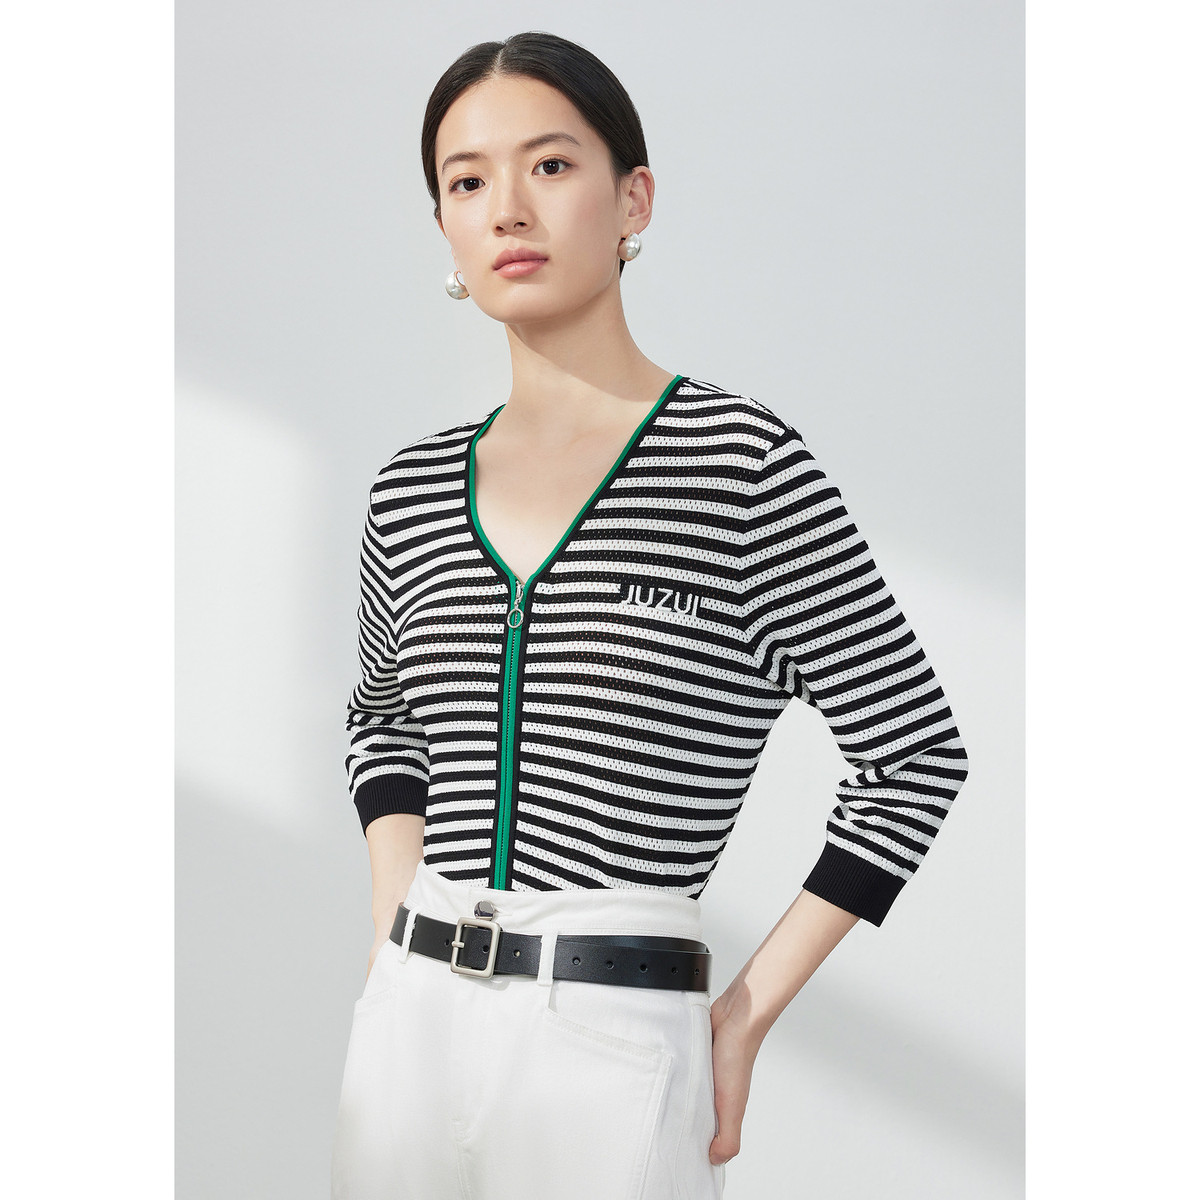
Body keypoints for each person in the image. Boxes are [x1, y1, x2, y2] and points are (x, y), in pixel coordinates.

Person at [330, 30, 969, 1200]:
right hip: (408, 1031)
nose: (508, 208)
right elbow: (385, 723)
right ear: (445, 229)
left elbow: (914, 756)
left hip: (612, 1042)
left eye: (551, 165)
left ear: (634, 199)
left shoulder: (740, 469)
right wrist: (391, 922)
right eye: (467, 181)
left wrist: (744, 1015)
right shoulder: (410, 489)